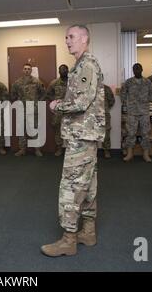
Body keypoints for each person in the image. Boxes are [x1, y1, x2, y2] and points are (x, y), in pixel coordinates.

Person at [41, 25, 105, 257]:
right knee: (88, 185)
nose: (67, 41)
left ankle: (68, 239)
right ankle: (87, 232)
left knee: (71, 186)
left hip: (81, 136)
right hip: (84, 135)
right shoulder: (81, 65)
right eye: (66, 37)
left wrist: (58, 105)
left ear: (85, 39)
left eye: (72, 37)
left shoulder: (87, 64)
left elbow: (81, 102)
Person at [120, 63, 152, 163]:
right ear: (133, 70)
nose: (137, 71)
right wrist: (126, 103)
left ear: (142, 69)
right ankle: (129, 153)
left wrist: (145, 100)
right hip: (132, 112)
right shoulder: (128, 82)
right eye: (135, 69)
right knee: (130, 133)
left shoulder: (147, 82)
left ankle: (146, 154)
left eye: (139, 69)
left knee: (145, 133)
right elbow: (122, 93)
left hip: (144, 112)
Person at [10, 63, 46, 157]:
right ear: (23, 70)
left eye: (28, 69)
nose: (26, 70)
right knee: (21, 130)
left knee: (34, 130)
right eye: (25, 69)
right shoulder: (17, 83)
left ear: (31, 70)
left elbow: (43, 94)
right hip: (21, 109)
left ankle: (37, 149)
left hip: (32, 110)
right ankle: (22, 149)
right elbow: (12, 95)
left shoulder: (37, 82)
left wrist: (37, 104)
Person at [46, 65, 69, 156]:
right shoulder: (54, 83)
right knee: (58, 130)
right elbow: (48, 94)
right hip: (58, 112)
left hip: (70, 111)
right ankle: (59, 148)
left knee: (71, 130)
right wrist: (55, 101)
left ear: (68, 71)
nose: (63, 71)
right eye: (61, 70)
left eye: (65, 70)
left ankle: (70, 150)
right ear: (59, 71)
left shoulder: (73, 82)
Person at [103, 84, 115, 158]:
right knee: (91, 133)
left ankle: (106, 150)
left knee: (106, 132)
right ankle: (91, 151)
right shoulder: (89, 87)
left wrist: (105, 108)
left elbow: (112, 100)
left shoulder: (106, 88)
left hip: (104, 114)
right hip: (92, 115)